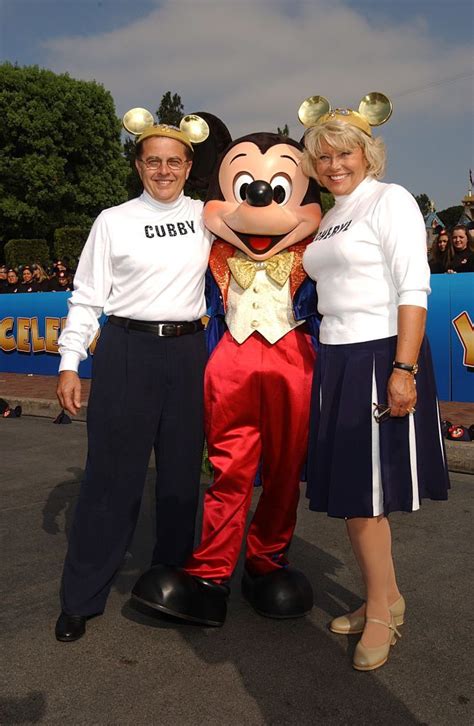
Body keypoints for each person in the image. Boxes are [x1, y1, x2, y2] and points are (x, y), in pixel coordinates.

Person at [301, 105, 449, 671]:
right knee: (354, 496)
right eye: (324, 154)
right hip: (335, 356)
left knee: (366, 497)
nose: (334, 163)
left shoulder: (391, 200)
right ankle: (384, 597)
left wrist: (404, 369)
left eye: (345, 152)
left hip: (382, 351)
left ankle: (383, 614)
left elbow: (415, 288)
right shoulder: (330, 214)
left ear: (368, 154)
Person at [54, 122, 213, 642]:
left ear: (189, 167)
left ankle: (169, 584)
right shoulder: (113, 221)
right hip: (126, 350)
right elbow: (86, 296)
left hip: (190, 352)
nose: (163, 171)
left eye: (174, 162)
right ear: (138, 165)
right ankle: (81, 597)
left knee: (181, 481)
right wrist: (70, 362)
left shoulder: (207, 216)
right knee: (109, 481)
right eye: (152, 161)